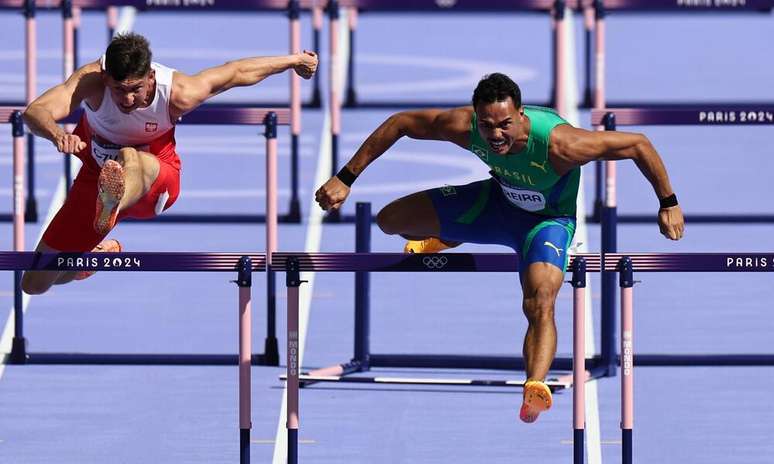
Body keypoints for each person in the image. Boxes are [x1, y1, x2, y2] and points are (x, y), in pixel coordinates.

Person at [314, 73, 684, 423]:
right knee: (391, 220)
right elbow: (400, 123)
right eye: (487, 125)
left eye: (505, 124)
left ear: (521, 116)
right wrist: (345, 177)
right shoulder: (464, 127)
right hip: (495, 203)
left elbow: (638, 144)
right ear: (476, 118)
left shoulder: (562, 145)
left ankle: (534, 386)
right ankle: (449, 236)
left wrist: (668, 202)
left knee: (539, 300)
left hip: (545, 223)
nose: (495, 134)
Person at [21, 32, 318, 295]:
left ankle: (115, 199)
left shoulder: (178, 92)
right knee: (35, 283)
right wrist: (57, 133)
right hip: (94, 180)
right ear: (105, 78)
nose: (127, 98)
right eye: (119, 89)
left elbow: (236, 72)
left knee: (129, 157)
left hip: (157, 180)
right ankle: (94, 256)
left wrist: (293, 60)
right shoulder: (90, 81)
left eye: (135, 88)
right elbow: (36, 111)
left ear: (150, 76)